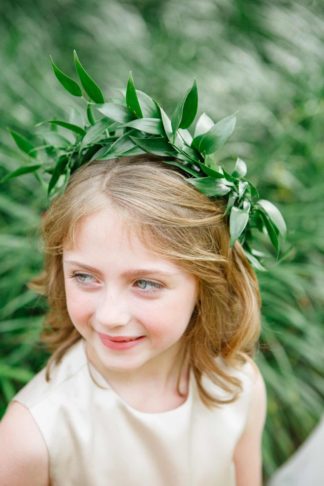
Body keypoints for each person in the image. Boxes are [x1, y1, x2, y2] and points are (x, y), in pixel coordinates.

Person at [0, 53, 281, 486]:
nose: (110, 314)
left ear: (206, 283)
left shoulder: (237, 387)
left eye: (145, 283)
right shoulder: (32, 436)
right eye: (85, 276)